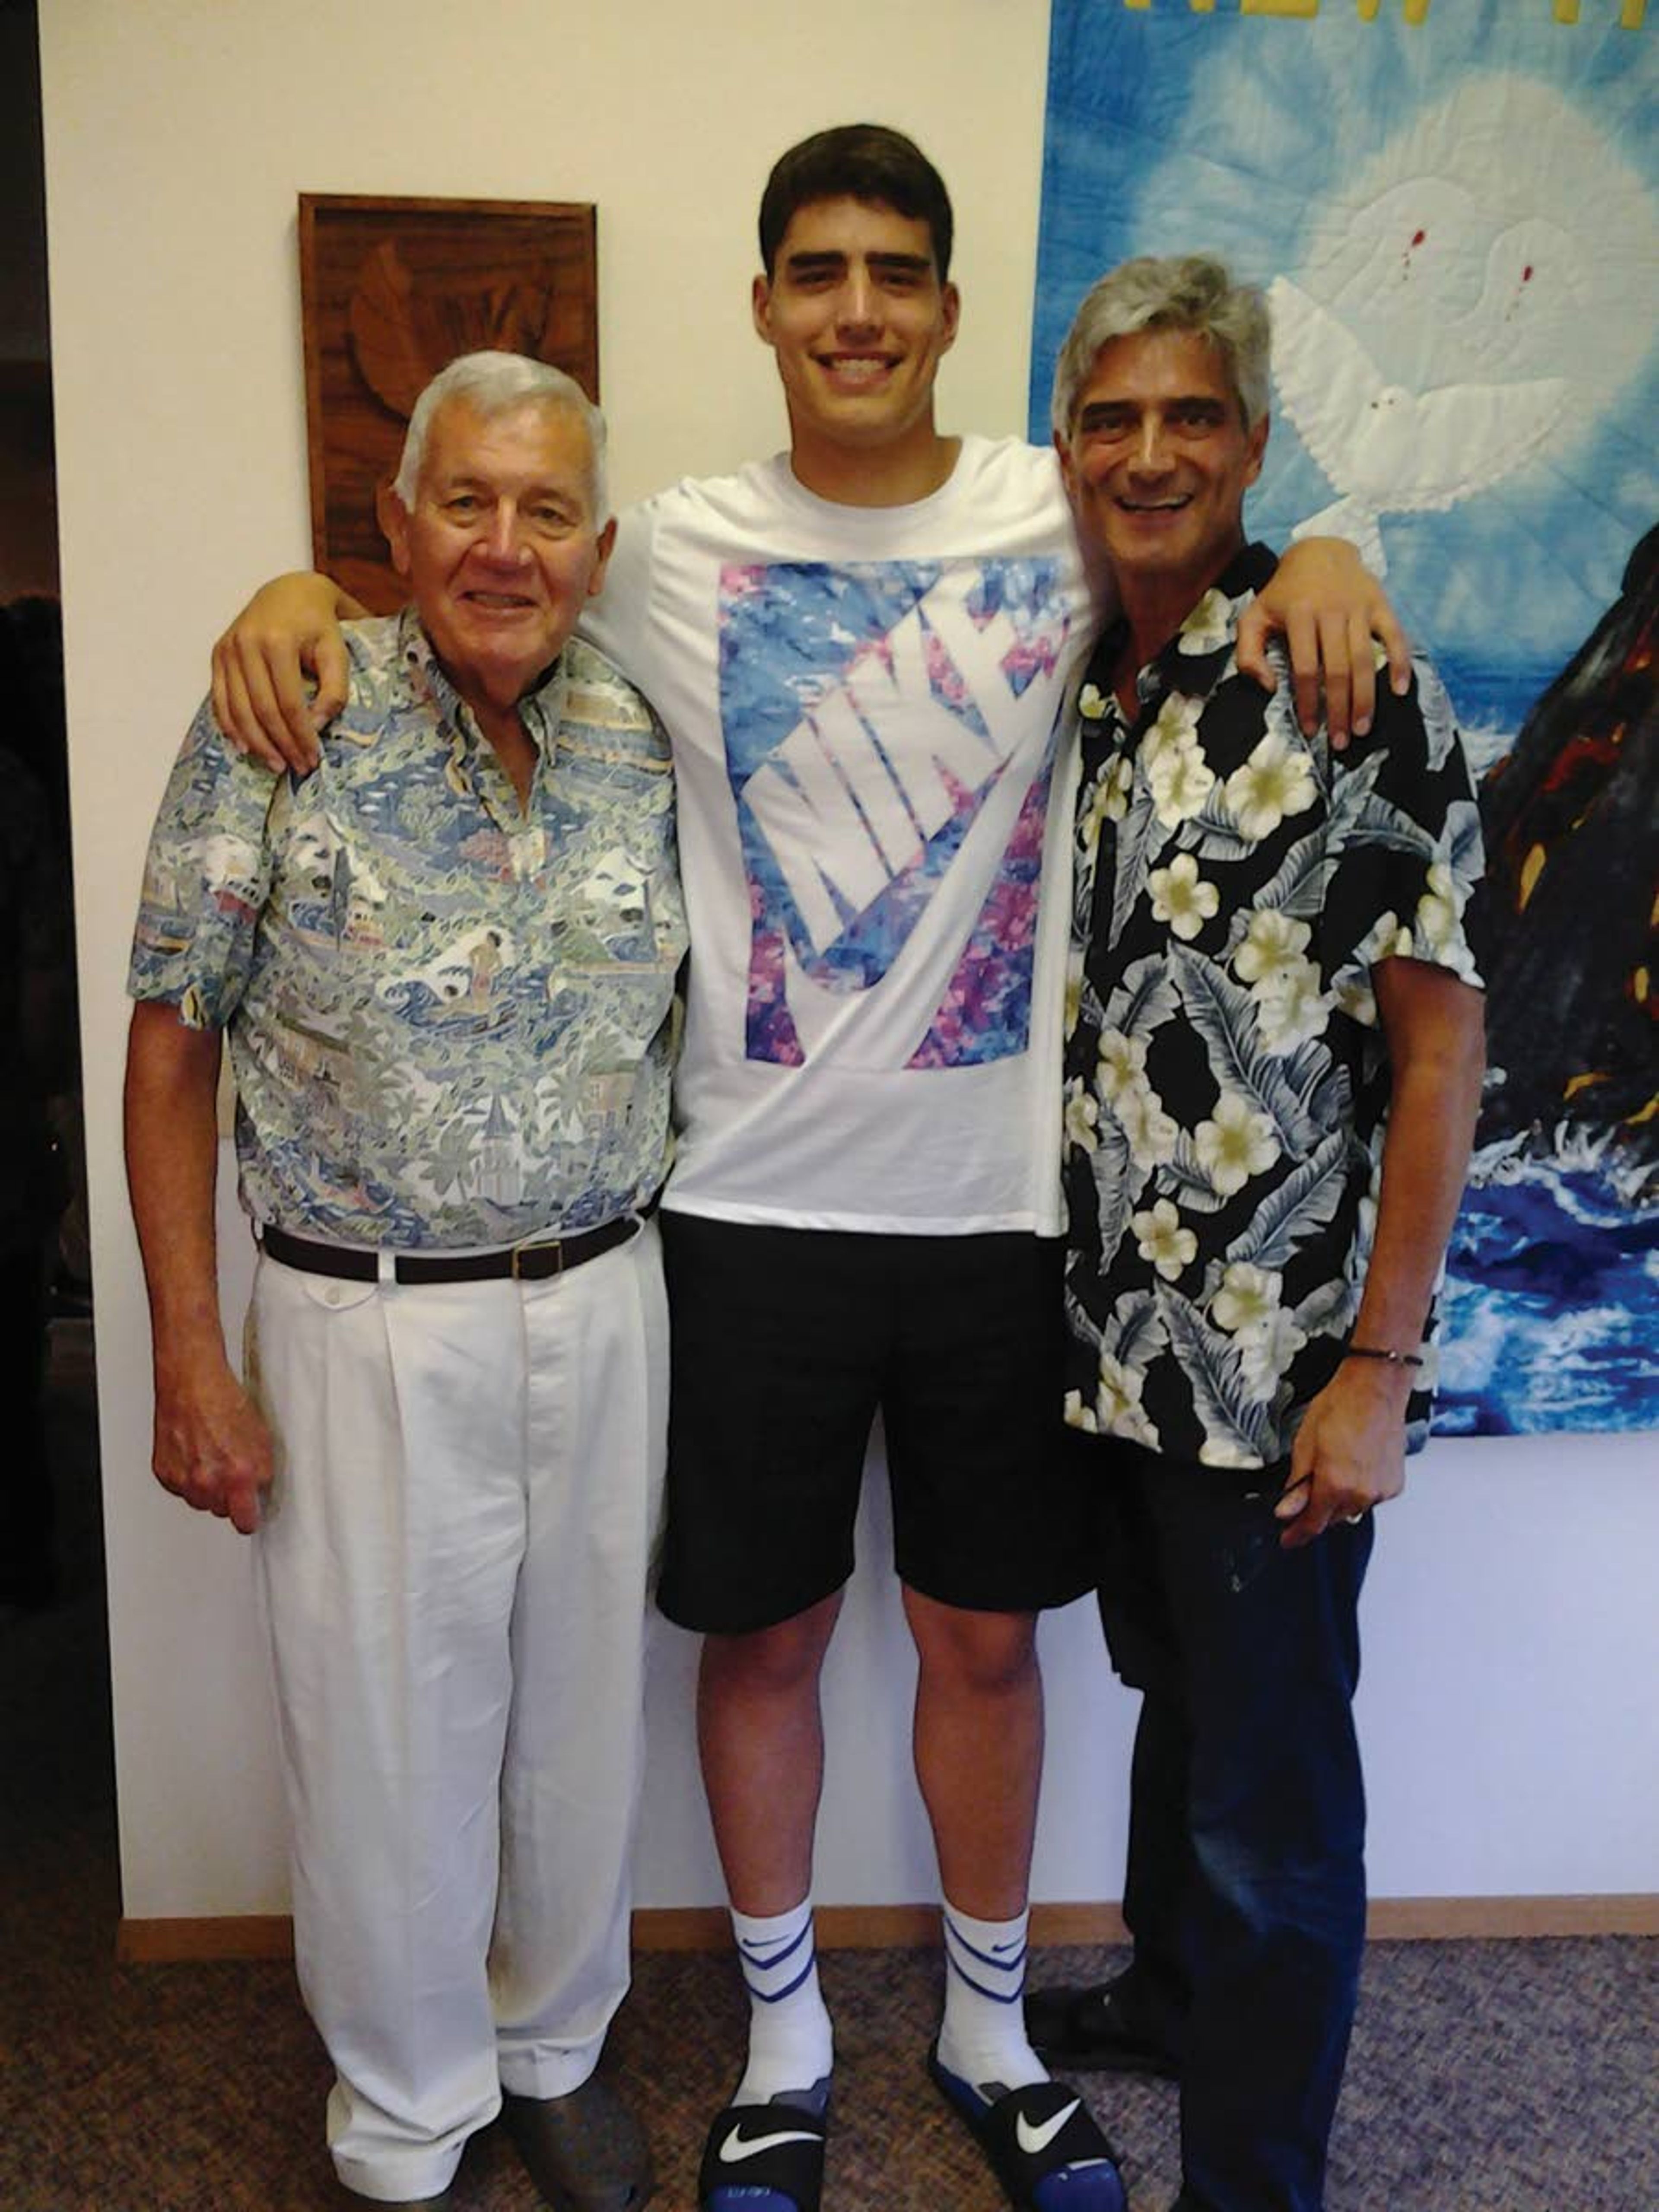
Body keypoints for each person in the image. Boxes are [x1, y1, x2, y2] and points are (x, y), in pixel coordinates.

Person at [207, 128, 1406, 2212]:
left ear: (953, 314)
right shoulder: (663, 545)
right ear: (763, 304)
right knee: (756, 1643)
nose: (858, 307)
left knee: (983, 1646)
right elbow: (438, 571)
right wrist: (288, 583)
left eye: (899, 273)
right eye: (819, 270)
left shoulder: (1053, 509)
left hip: (994, 1215)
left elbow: (1211, 520)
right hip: (741, 1212)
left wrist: (1328, 551)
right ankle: (781, 2039)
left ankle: (987, 2025)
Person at [124, 353, 685, 2212]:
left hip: (609, 1290)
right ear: (393, 524)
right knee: (381, 1732)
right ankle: (406, 2109)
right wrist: (189, 1353)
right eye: (469, 500)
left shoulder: (637, 723)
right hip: (361, 1313)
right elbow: (170, 1039)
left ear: (596, 547)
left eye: (544, 511)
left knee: (580, 1711)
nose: (505, 545)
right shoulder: (283, 704)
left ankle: (550, 2047)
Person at [1027, 256, 1486, 2212]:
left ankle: (1256, 2182)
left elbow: (1445, 1046)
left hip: (1279, 1369)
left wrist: (1378, 1371)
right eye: (1112, 417)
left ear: (1252, 445)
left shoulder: (1345, 682)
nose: (1148, 453)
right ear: (1069, 446)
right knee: (1174, 1712)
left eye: (1190, 418)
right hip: (1109, 1348)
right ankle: (1168, 1988)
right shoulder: (1091, 681)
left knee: (1273, 1802)